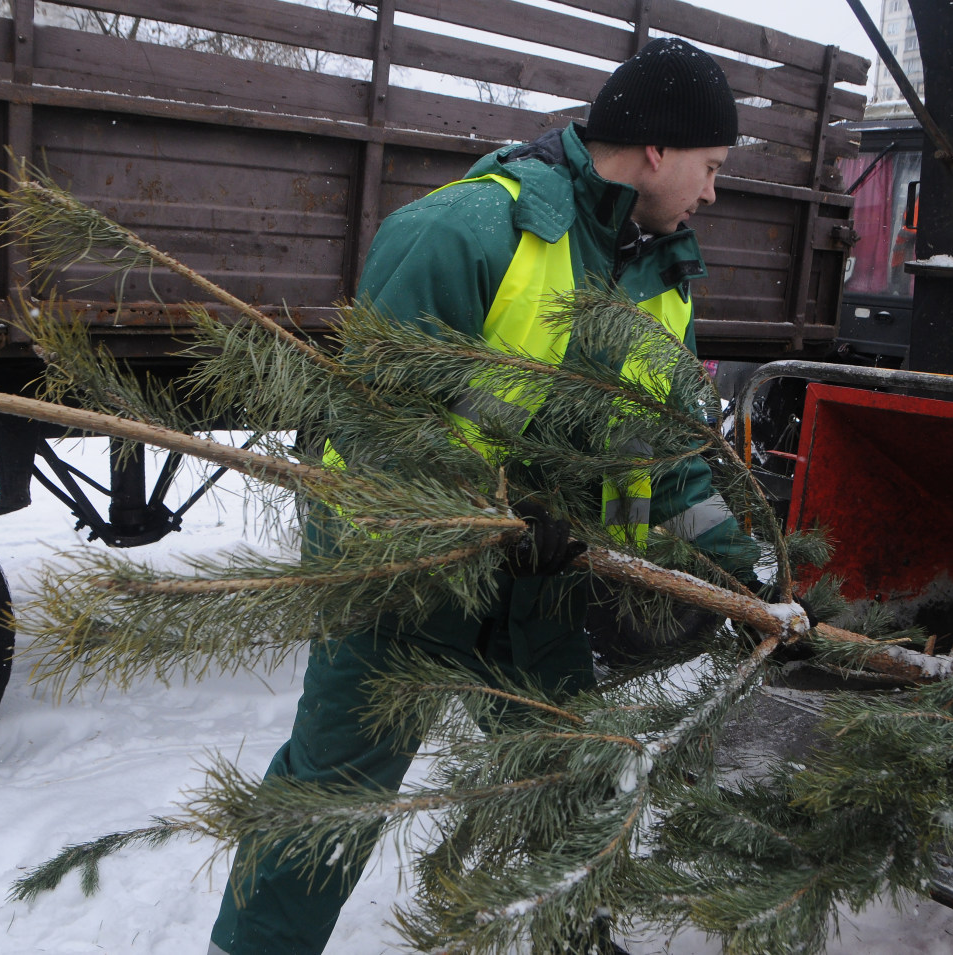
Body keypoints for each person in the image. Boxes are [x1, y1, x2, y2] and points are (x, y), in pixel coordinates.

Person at [208, 36, 759, 955]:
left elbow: (671, 460)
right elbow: (371, 431)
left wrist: (749, 580)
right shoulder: (469, 231)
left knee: (566, 771)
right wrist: (492, 506)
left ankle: (569, 937)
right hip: (400, 568)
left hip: (537, 577)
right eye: (711, 166)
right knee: (337, 785)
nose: (714, 192)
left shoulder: (661, 275)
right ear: (658, 150)